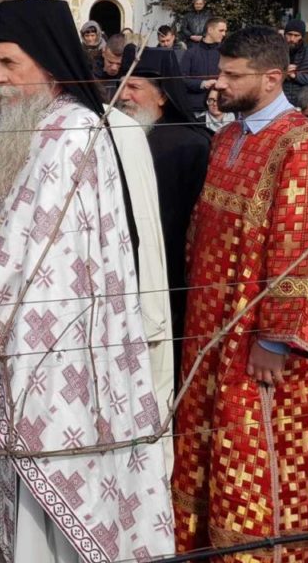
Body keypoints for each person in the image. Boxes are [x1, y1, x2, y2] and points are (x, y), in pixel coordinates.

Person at [0, 0, 174, 563]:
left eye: (9, 64)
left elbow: (43, 254)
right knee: (34, 499)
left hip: (64, 349)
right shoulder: (39, 127)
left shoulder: (74, 131)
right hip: (35, 345)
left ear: (49, 64)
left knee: (58, 479)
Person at [174, 26, 308, 563]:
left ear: (272, 79)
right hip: (212, 329)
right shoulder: (228, 138)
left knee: (261, 457)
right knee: (210, 444)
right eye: (220, 71)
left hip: (262, 346)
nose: (217, 82)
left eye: (232, 75)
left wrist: (276, 337)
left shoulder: (306, 150)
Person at [117, 46, 211, 380]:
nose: (123, 96)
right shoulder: (116, 137)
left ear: (162, 97)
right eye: (121, 85)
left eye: (134, 87)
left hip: (171, 275)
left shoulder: (192, 145)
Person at [180, 16, 227, 114]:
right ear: (210, 30)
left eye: (225, 31)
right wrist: (202, 84)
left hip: (220, 106)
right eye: (221, 30)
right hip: (196, 107)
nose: (224, 34)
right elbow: (180, 79)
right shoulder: (191, 53)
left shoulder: (226, 53)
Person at [94, 32, 128, 99]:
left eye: (119, 64)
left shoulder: (131, 72)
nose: (114, 68)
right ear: (103, 53)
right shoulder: (91, 71)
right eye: (110, 62)